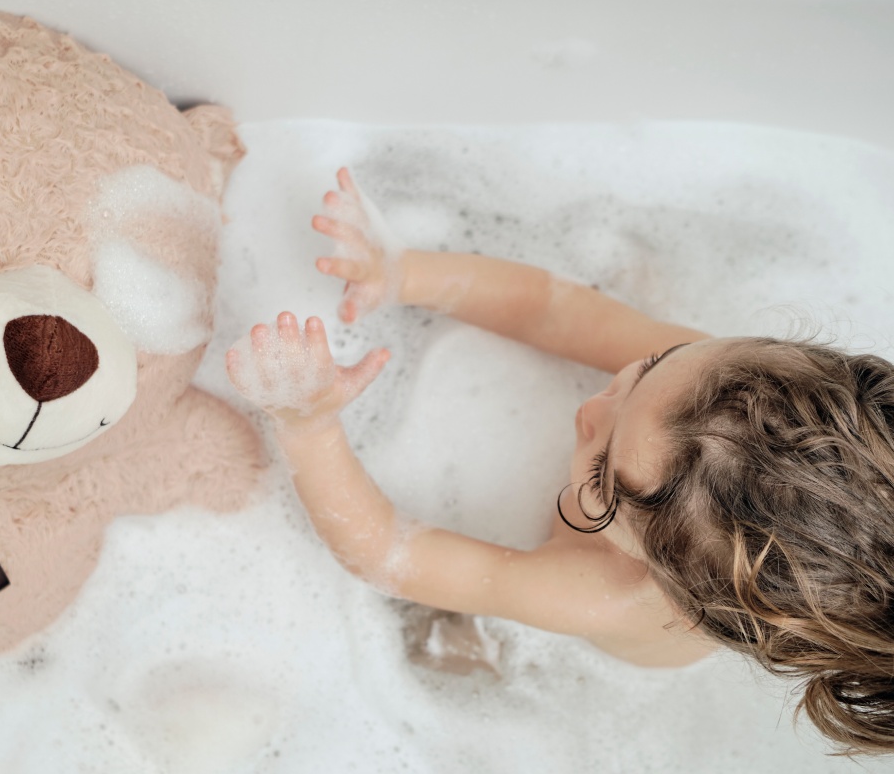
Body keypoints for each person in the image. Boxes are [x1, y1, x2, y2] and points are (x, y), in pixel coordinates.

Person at [225, 168, 894, 755]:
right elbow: (555, 310)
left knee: (444, 644)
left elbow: (388, 555)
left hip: (589, 653)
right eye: (648, 365)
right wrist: (404, 272)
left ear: (658, 567)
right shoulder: (709, 412)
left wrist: (309, 428)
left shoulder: (609, 591)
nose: (589, 412)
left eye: (600, 472)